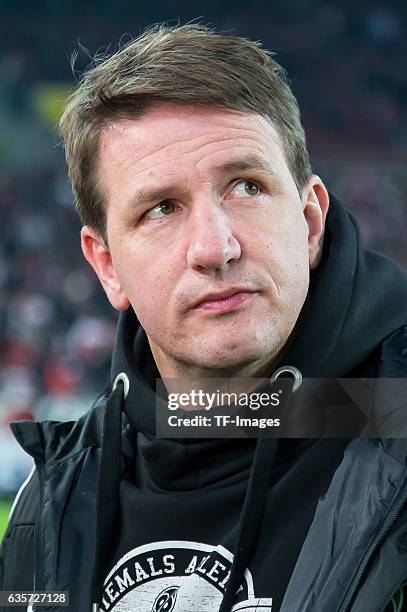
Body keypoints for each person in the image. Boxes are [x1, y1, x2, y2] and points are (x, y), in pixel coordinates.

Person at [1, 23, 407, 612]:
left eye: (246, 186)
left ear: (311, 221)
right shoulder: (52, 494)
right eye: (161, 209)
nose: (215, 248)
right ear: (107, 265)